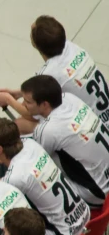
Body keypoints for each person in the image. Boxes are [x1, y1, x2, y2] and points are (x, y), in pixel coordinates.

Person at [0, 118, 90, 235]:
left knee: (9, 234)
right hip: (84, 215)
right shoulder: (31, 144)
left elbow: (0, 199)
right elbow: (15, 177)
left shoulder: (15, 178)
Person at [0, 15, 109, 128]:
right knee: (33, 101)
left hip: (97, 126)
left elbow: (31, 115)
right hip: (103, 110)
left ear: (35, 44)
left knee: (22, 124)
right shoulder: (71, 47)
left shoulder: (49, 73)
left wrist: (7, 99)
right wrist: (18, 93)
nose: (30, 25)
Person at [16, 75, 109, 209]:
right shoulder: (69, 97)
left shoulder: (47, 130)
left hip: (98, 193)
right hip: (102, 174)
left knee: (41, 172)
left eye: (27, 102)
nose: (24, 105)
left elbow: (39, 164)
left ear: (44, 104)